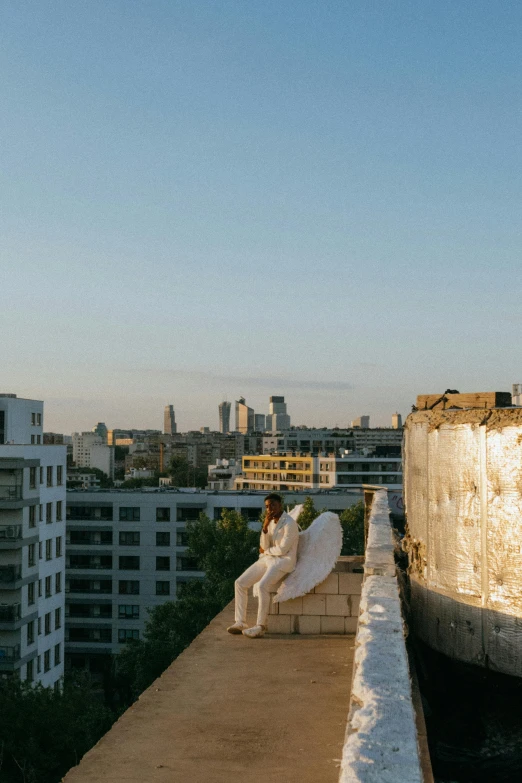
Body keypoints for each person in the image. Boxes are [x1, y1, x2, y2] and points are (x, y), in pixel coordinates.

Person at [227, 492, 299, 638]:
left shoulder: (290, 523)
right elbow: (263, 545)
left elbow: (283, 549)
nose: (270, 509)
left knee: (261, 586)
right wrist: (265, 527)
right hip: (268, 559)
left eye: (273, 505)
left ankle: (260, 626)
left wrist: (266, 551)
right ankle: (240, 622)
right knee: (240, 583)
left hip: (283, 560)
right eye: (267, 506)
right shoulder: (270, 522)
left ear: (280, 505)